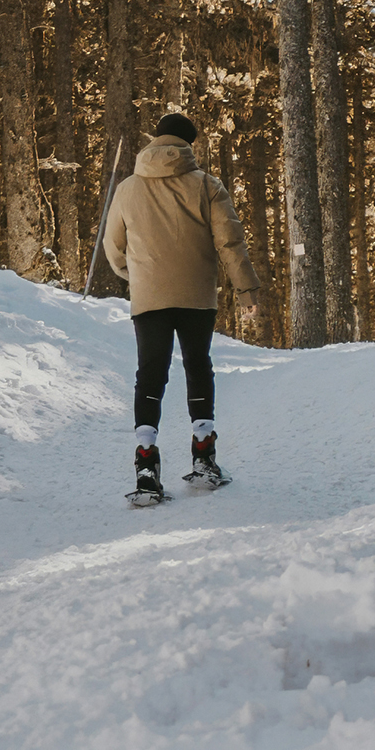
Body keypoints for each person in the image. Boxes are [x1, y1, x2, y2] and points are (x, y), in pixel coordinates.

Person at [103, 112, 261, 502]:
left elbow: (113, 247)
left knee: (151, 374)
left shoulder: (127, 189)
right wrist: (246, 290)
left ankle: (145, 464)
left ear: (156, 140)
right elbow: (230, 242)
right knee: (197, 365)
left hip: (149, 297)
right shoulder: (207, 185)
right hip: (196, 296)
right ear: (189, 144)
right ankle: (204, 455)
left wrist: (137, 275)